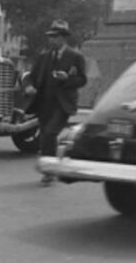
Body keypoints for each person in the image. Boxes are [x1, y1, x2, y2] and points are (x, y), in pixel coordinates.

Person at [22, 20, 88, 185]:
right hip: (44, 103)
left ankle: (49, 169)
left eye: (55, 37)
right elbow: (30, 76)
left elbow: (82, 80)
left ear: (64, 38)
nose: (51, 40)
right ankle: (49, 167)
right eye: (50, 37)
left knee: (51, 133)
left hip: (62, 104)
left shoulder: (75, 56)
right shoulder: (43, 57)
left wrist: (67, 78)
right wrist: (29, 86)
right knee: (45, 135)